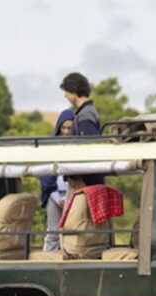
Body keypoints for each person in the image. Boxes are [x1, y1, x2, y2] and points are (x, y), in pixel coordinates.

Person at [58, 174, 122, 259]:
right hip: (101, 248)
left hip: (76, 251)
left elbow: (67, 228)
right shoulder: (103, 194)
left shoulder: (80, 197)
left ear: (71, 182)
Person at [40, 109, 75, 251]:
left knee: (71, 231)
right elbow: (45, 174)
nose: (66, 132)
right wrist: (56, 198)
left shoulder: (77, 147)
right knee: (53, 231)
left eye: (69, 128)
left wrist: (67, 197)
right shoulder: (50, 145)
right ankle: (48, 259)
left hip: (72, 193)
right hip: (53, 194)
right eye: (64, 128)